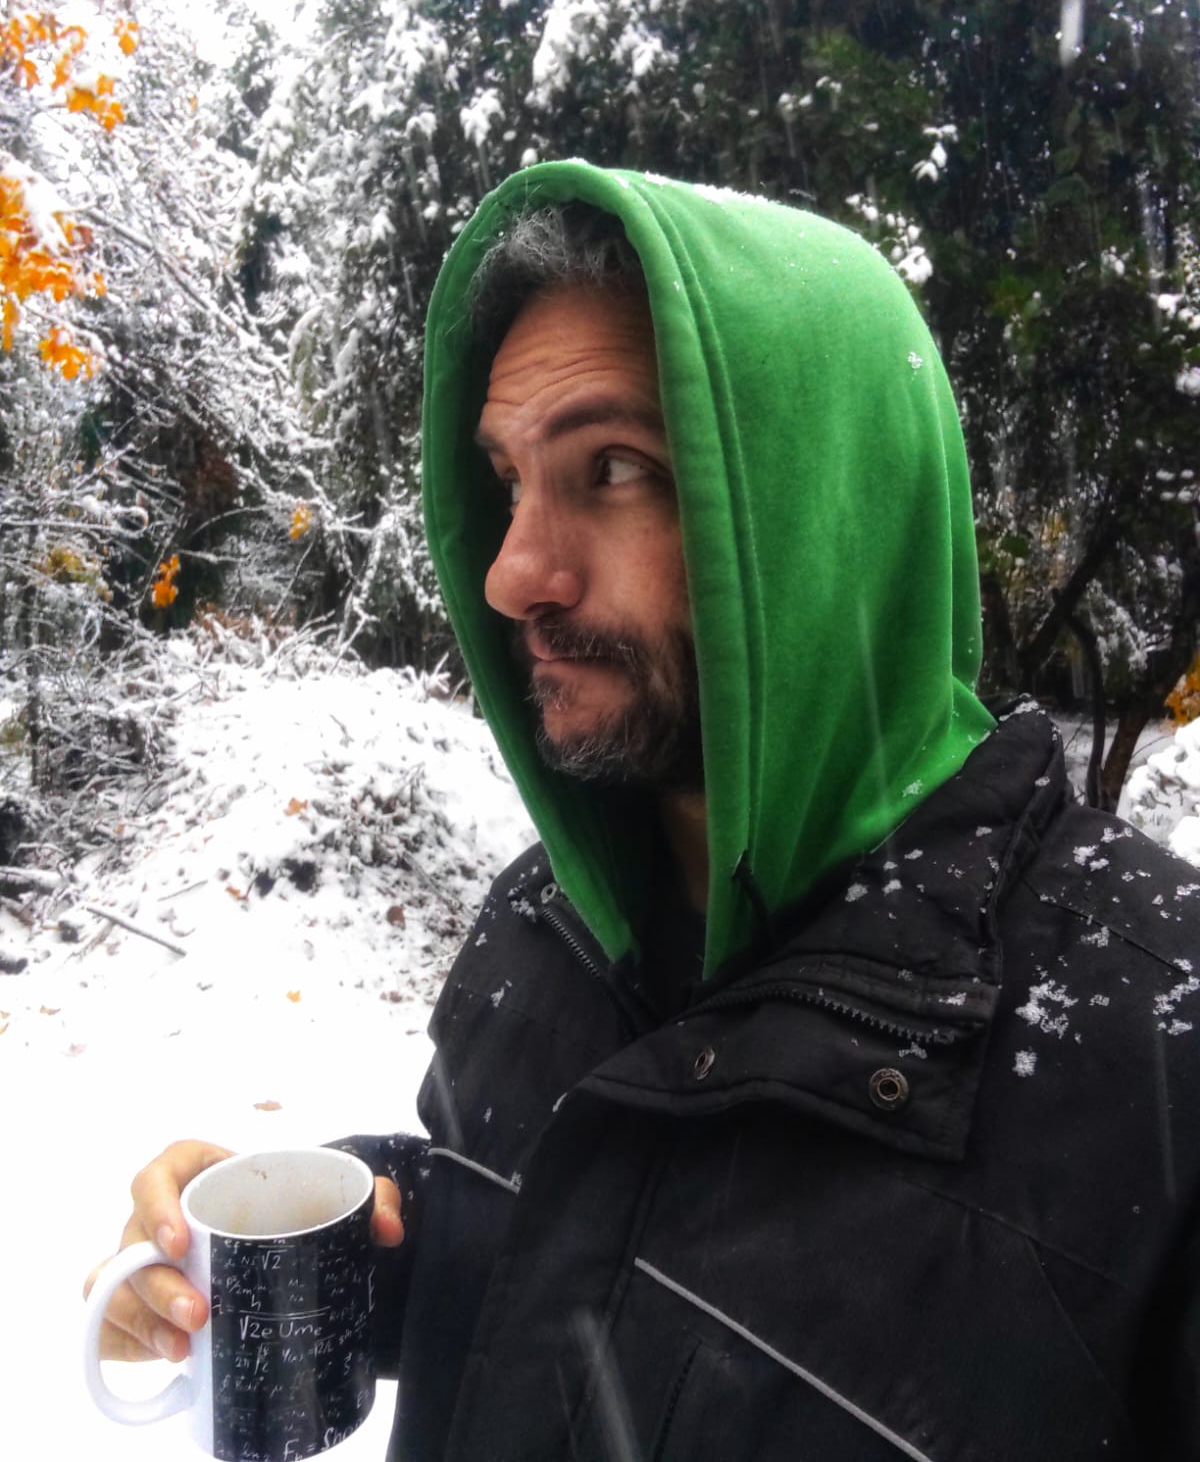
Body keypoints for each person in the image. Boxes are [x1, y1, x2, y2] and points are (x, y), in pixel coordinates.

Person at [88, 163, 1200, 1460]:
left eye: (612, 468)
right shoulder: (547, 918)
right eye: (509, 481)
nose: (512, 573)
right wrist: (375, 1237)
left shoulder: (1156, 1060)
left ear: (823, 513)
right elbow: (566, 1255)